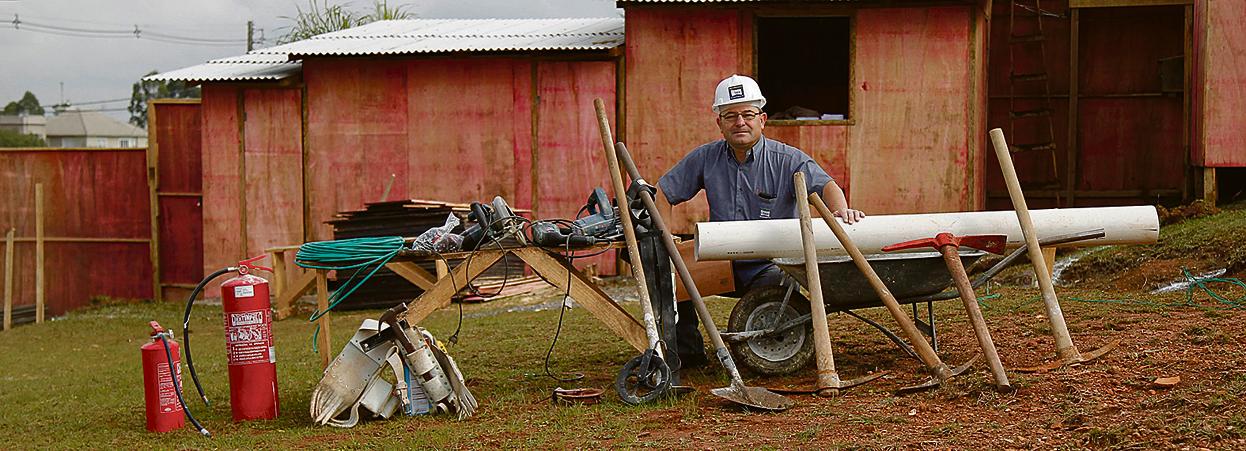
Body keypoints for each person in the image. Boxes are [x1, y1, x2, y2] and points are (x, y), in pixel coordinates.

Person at [656, 74, 864, 367]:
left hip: (770, 264)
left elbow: (826, 186)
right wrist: (666, 239)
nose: (740, 122)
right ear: (720, 123)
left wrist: (841, 211)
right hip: (719, 259)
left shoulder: (788, 160)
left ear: (762, 119)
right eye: (730, 115)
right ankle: (688, 354)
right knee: (672, 277)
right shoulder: (706, 158)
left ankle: (765, 351)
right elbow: (663, 192)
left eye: (747, 114)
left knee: (772, 291)